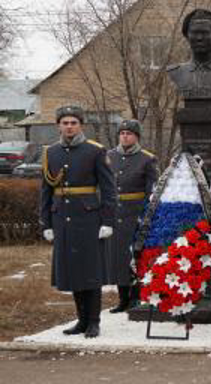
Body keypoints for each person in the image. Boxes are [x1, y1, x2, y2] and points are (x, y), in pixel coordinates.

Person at [40, 105, 116, 338]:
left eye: (73, 122)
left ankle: (94, 321)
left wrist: (107, 221)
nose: (69, 126)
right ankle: (81, 321)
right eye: (65, 123)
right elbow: (46, 189)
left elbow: (108, 188)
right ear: (58, 126)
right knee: (72, 271)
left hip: (89, 218)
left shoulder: (95, 150)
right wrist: (47, 223)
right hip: (62, 218)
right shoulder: (50, 152)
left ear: (80, 125)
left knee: (90, 270)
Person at [105, 119, 159, 313]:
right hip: (114, 212)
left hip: (135, 213)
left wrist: (146, 215)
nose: (125, 136)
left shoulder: (147, 159)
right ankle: (122, 299)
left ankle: (136, 296)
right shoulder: (109, 156)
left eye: (129, 133)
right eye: (122, 133)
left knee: (135, 256)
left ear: (136, 136)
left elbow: (152, 190)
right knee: (118, 256)